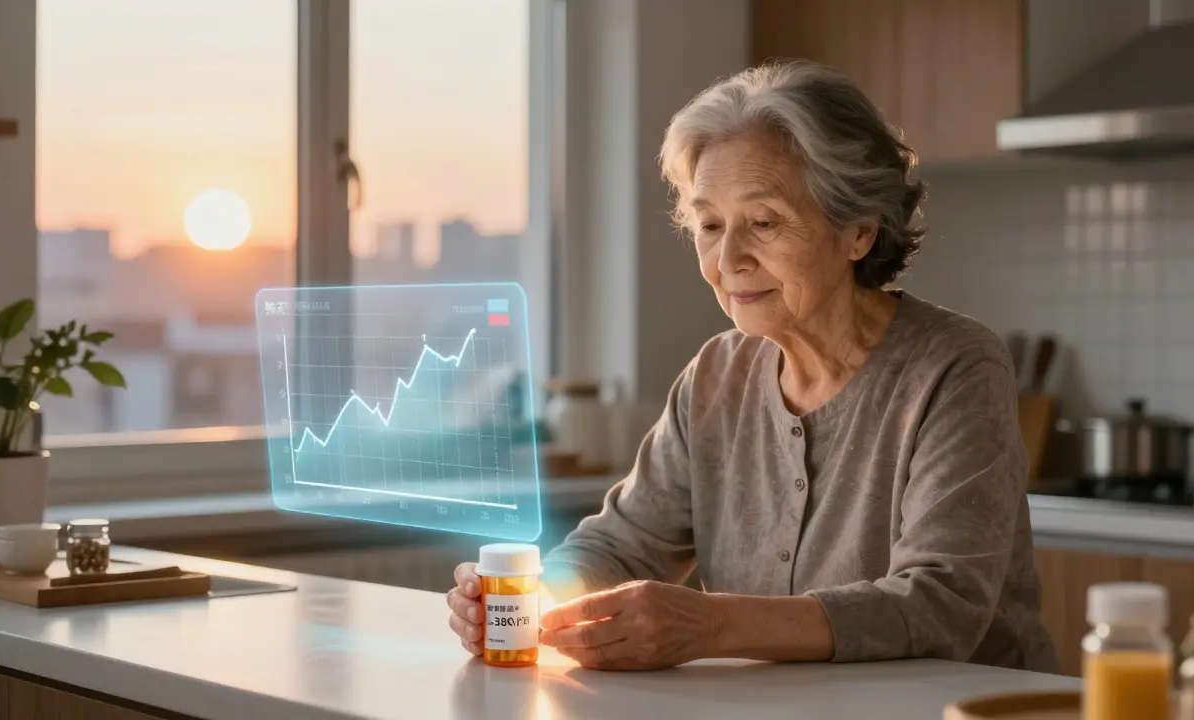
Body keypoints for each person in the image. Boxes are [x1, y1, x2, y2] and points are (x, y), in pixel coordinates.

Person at [446, 59, 1060, 673]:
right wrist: (523, 599)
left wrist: (712, 624)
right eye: (709, 225)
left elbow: (941, 603)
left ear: (860, 232)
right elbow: (623, 546)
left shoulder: (956, 367)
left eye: (763, 223)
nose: (728, 258)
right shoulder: (717, 376)